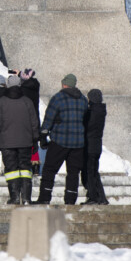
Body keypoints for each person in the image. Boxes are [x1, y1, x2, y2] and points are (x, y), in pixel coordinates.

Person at [36, 73, 89, 205]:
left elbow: (49, 118)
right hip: (78, 143)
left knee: (49, 170)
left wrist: (43, 135)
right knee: (73, 173)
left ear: (64, 84)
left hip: (60, 140)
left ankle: (44, 198)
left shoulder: (58, 98)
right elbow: (86, 120)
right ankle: (70, 200)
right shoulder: (83, 100)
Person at [0, 74, 39, 205]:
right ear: (19, 85)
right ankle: (27, 198)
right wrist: (35, 139)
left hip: (7, 142)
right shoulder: (27, 102)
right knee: (25, 169)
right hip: (25, 141)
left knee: (11, 170)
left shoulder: (0, 102)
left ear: (8, 85)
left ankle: (15, 197)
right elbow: (34, 122)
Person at [81, 89, 109, 205]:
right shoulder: (101, 110)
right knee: (94, 172)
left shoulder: (92, 112)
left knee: (89, 172)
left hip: (90, 145)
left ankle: (93, 197)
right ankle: (101, 198)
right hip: (97, 145)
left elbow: (87, 126)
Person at [19, 68, 42, 176]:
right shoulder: (35, 86)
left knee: (23, 142)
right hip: (35, 117)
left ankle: (24, 165)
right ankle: (35, 166)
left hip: (24, 118)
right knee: (34, 142)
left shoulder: (23, 89)